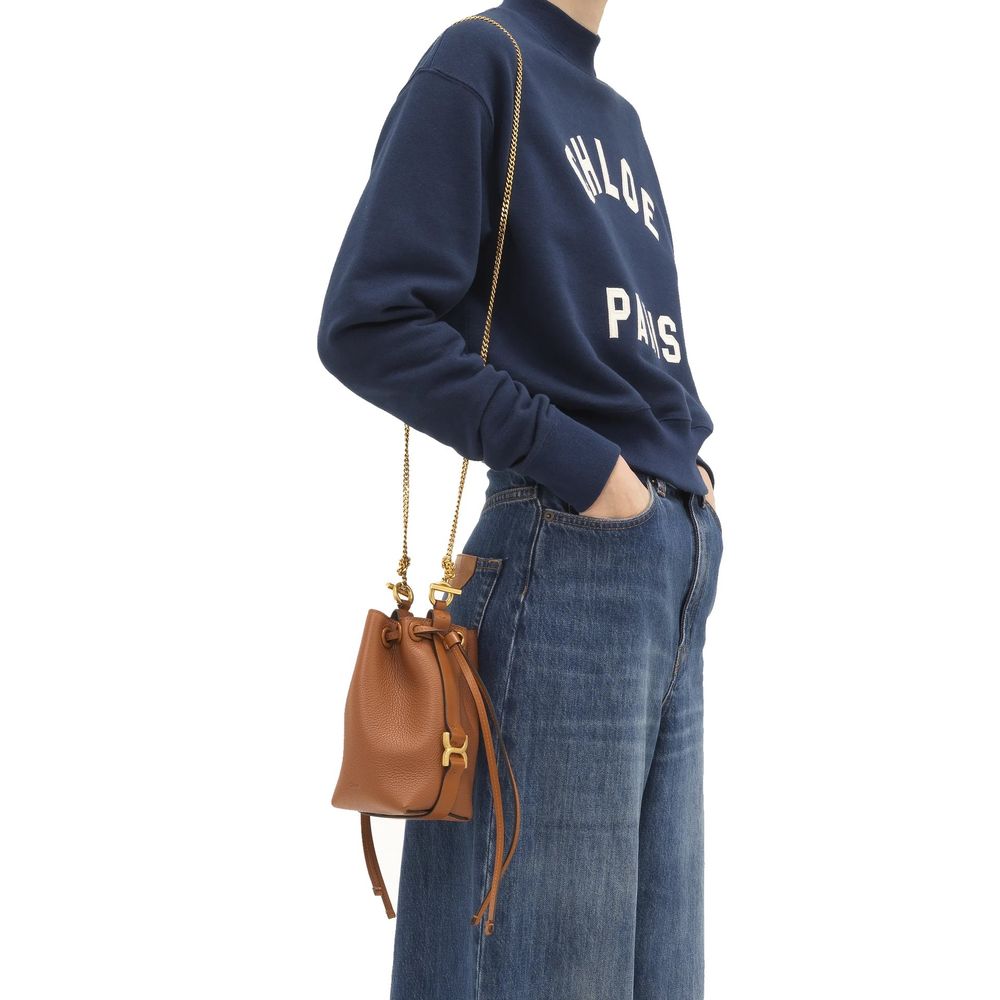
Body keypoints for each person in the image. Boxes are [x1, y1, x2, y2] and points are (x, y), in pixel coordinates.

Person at [317, 0, 723, 996]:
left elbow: (623, 346)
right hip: (565, 552)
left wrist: (689, 467)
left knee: (658, 976)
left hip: (666, 561)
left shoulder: (618, 119)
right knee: (547, 971)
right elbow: (368, 322)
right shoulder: (481, 61)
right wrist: (584, 468)